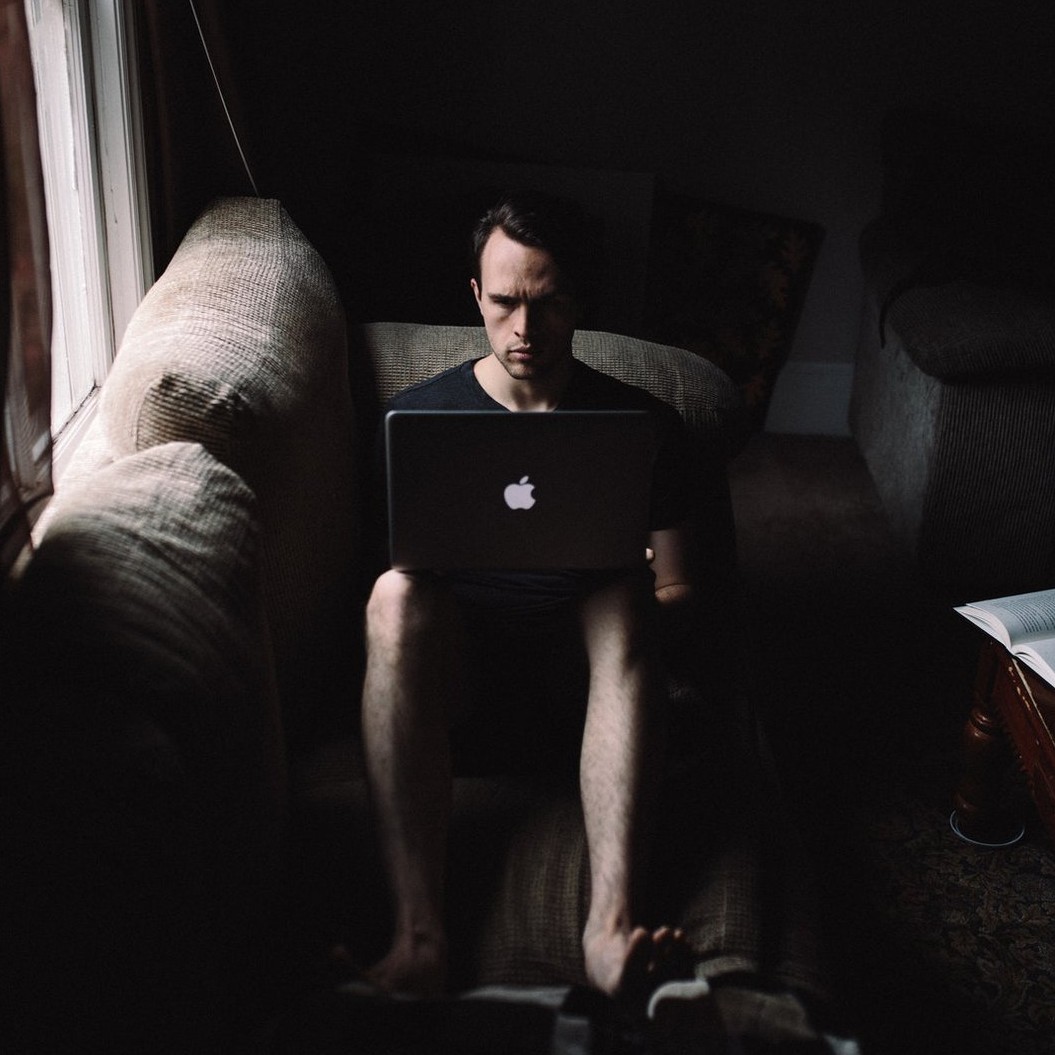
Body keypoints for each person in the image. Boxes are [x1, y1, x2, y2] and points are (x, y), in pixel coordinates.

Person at [358, 193, 698, 1001]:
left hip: (590, 689)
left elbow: (681, 587)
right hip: (457, 686)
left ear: (576, 302)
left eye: (546, 303)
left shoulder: (641, 424)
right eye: (505, 301)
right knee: (393, 593)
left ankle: (609, 931)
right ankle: (417, 938)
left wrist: (632, 586)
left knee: (622, 595)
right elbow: (383, 597)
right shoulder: (415, 420)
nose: (523, 328)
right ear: (475, 293)